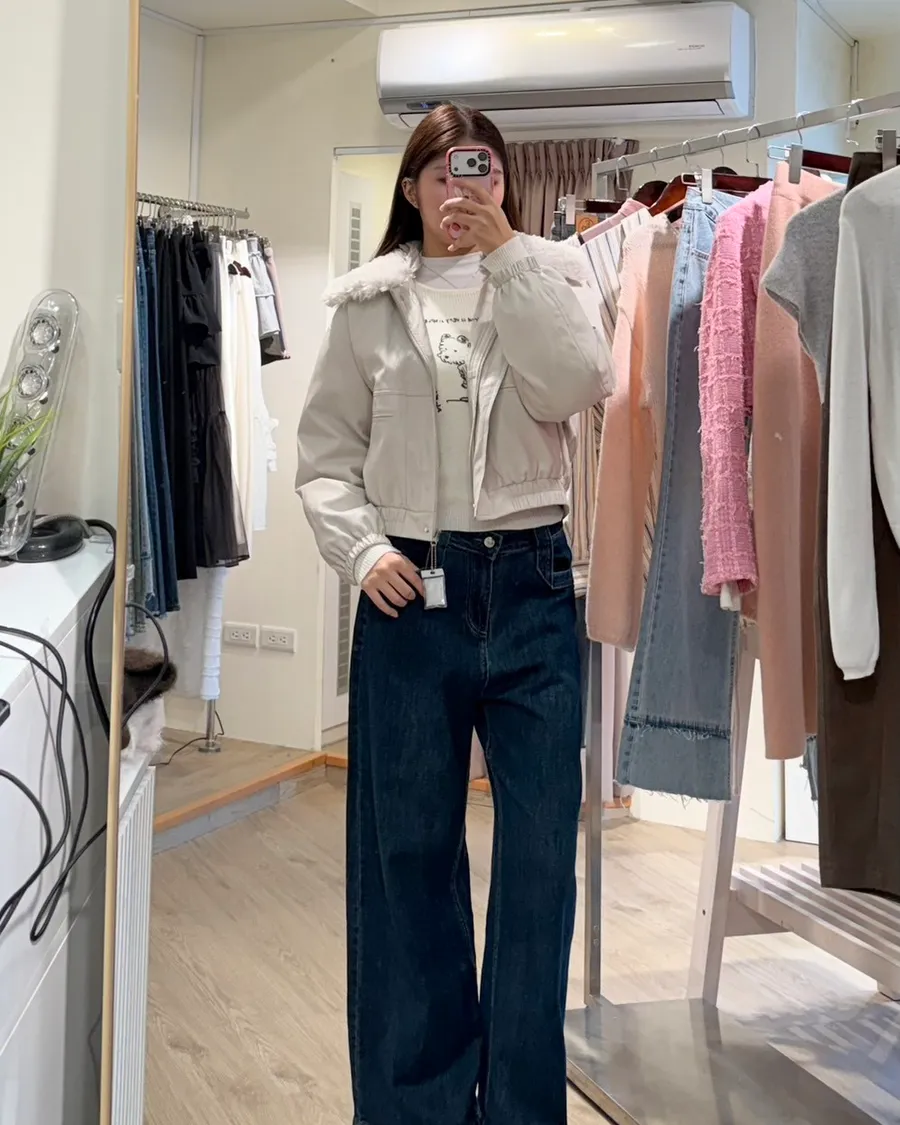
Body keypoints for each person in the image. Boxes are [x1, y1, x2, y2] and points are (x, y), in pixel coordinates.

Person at [296, 104, 613, 1125]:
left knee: (539, 865)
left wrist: (512, 255)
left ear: (504, 183)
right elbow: (325, 456)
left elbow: (578, 382)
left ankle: (519, 1108)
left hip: (532, 592)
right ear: (410, 188)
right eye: (440, 173)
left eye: (481, 172)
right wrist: (362, 549)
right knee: (407, 861)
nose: (460, 191)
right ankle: (418, 1108)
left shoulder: (552, 275)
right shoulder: (367, 305)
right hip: (412, 597)